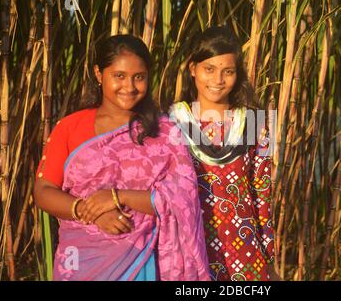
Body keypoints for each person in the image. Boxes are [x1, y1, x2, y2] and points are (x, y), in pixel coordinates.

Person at [34, 34, 209, 281]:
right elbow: (43, 190)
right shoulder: (70, 127)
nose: (129, 87)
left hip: (144, 257)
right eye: (119, 76)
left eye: (139, 77)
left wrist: (119, 196)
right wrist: (89, 211)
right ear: (98, 74)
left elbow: (184, 197)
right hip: (80, 259)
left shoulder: (164, 132)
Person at [169, 26, 276, 281]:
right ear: (192, 68)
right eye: (209, 69)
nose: (218, 80)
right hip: (189, 247)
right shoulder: (170, 122)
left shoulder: (255, 123)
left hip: (245, 251)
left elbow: (262, 195)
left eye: (227, 71)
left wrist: (269, 257)